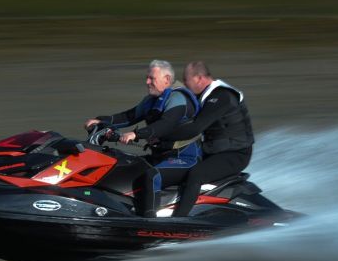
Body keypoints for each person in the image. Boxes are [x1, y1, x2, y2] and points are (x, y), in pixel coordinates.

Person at [84, 60, 201, 216]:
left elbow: (166, 124)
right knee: (127, 167)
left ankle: (149, 220)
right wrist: (100, 121)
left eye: (151, 78)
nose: (147, 82)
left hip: (185, 158)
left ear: (166, 79)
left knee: (152, 176)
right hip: (160, 156)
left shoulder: (178, 98)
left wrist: (136, 134)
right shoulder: (151, 101)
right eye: (147, 78)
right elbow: (128, 116)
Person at [160, 61, 254, 217]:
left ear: (199, 78)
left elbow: (196, 127)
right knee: (174, 161)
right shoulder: (204, 97)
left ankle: (180, 219)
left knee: (196, 174)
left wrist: (163, 136)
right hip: (214, 150)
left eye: (186, 80)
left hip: (236, 154)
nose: (184, 84)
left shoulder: (222, 96)